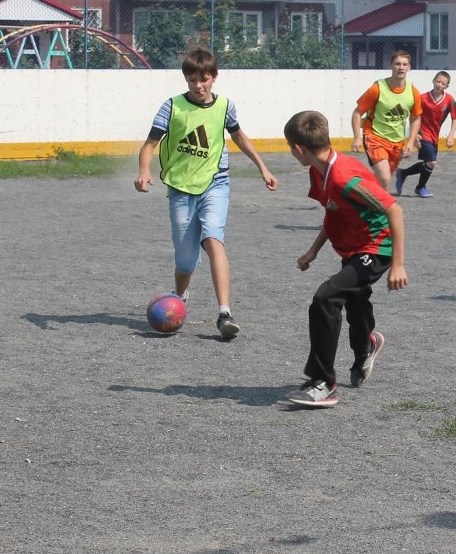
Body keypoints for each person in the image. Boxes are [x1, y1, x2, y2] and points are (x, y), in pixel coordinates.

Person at [135, 47, 277, 339]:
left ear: (214, 77)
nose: (198, 86)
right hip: (180, 188)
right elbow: (149, 144)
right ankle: (179, 296)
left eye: (204, 79)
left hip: (216, 182)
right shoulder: (172, 106)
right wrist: (144, 170)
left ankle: (225, 312)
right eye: (192, 80)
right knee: (186, 261)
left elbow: (239, 135)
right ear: (186, 79)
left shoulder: (225, 106)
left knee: (213, 236)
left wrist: (262, 166)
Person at [284, 110, 408, 408]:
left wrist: (399, 264)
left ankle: (323, 382)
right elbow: (333, 211)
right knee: (355, 302)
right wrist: (313, 251)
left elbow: (394, 210)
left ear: (298, 149)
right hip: (353, 247)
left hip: (376, 249)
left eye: (291, 148)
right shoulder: (319, 169)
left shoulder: (343, 177)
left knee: (326, 298)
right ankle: (367, 343)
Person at [351, 49, 422, 192]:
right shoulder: (378, 88)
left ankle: (363, 196)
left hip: (396, 142)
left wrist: (411, 140)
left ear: (409, 67)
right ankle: (379, 209)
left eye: (404, 64)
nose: (401, 67)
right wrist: (357, 138)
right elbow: (357, 112)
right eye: (397, 64)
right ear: (391, 66)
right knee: (384, 178)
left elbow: (415, 118)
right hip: (374, 136)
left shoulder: (413, 92)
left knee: (383, 182)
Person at [395, 70, 456, 198]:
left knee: (428, 164)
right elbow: (414, 116)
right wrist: (415, 135)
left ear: (446, 86)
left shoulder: (449, 100)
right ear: (433, 81)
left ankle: (403, 173)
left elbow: (455, 117)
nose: (439, 85)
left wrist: (451, 135)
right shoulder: (422, 98)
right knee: (432, 162)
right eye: (438, 81)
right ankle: (420, 187)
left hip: (434, 136)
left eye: (443, 83)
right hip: (423, 135)